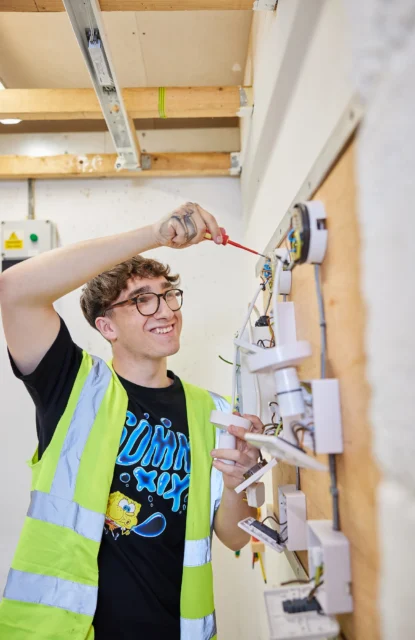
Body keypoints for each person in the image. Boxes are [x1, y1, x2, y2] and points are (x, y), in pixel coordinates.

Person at [0, 202, 263, 640]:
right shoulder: (74, 387)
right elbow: (14, 289)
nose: (166, 310)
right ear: (107, 327)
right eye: (142, 300)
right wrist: (155, 235)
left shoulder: (211, 410)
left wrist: (238, 482)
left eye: (168, 294)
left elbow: (235, 538)